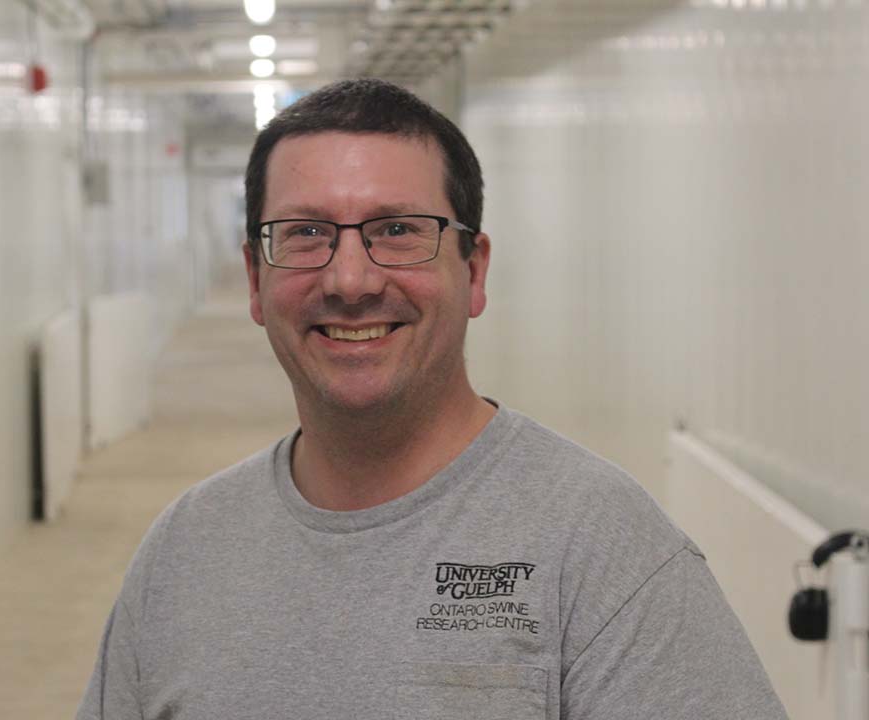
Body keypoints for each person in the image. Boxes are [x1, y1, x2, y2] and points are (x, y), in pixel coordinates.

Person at [77, 78, 787, 719]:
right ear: (256, 282)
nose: (350, 280)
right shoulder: (185, 550)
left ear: (473, 272)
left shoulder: (601, 549)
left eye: (396, 231)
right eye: (306, 234)